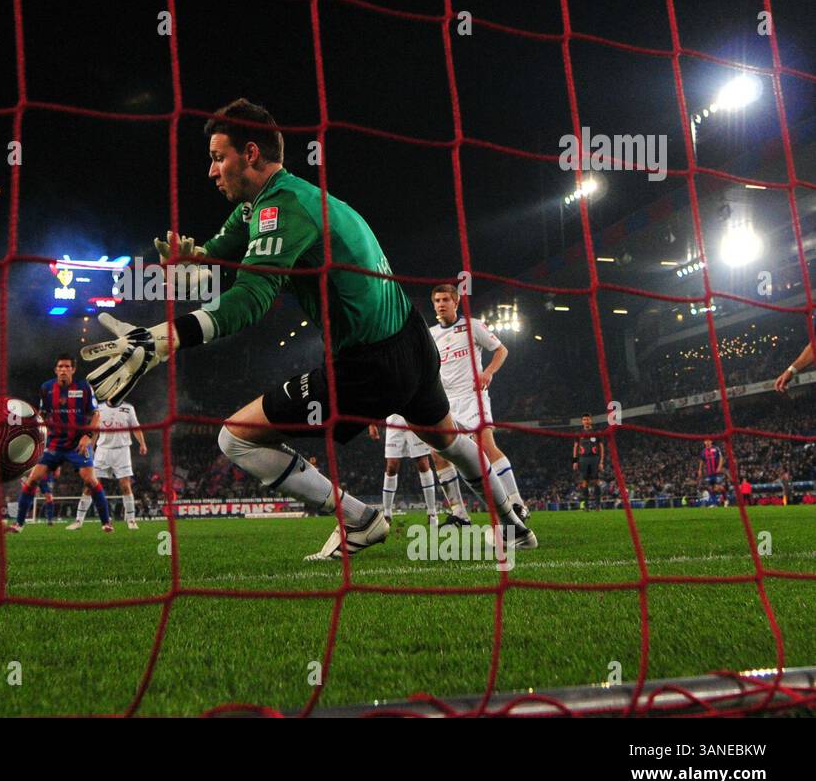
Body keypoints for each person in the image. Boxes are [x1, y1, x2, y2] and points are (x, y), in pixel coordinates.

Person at [81, 98, 534, 560]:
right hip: (412, 338)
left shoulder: (282, 209)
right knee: (450, 439)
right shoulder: (283, 199)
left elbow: (251, 298)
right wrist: (193, 261)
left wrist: (163, 339)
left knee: (234, 436)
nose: (211, 172)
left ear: (251, 153)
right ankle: (514, 526)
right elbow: (222, 250)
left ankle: (360, 520)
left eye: (219, 158)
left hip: (368, 363)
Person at [426, 285, 527, 521]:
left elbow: (501, 350)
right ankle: (459, 513)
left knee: (486, 446)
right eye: (437, 300)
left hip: (472, 397)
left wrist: (488, 372)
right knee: (437, 452)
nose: (441, 304)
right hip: (446, 402)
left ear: (456, 302)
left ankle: (517, 503)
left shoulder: (472, 326)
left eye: (445, 300)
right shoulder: (430, 334)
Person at [10, 354, 112, 533]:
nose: (63, 370)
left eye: (67, 367)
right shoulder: (47, 388)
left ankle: (106, 522)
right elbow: (42, 414)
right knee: (32, 480)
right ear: (56, 370)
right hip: (55, 442)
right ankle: (18, 524)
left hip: (78, 442)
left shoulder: (84, 388)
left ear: (73, 369)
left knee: (90, 480)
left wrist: (88, 436)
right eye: (60, 367)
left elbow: (96, 414)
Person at [72, 398, 147, 530]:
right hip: (103, 450)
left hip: (122, 450)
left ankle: (131, 521)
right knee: (90, 484)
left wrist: (142, 443)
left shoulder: (128, 408)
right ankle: (78, 521)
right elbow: (94, 431)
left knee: (125, 485)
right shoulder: (99, 409)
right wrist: (92, 449)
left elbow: (136, 428)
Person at [368, 417, 441, 525]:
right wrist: (372, 423)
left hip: (415, 420)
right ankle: (387, 514)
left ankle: (432, 512)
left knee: (423, 464)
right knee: (391, 466)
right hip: (394, 421)